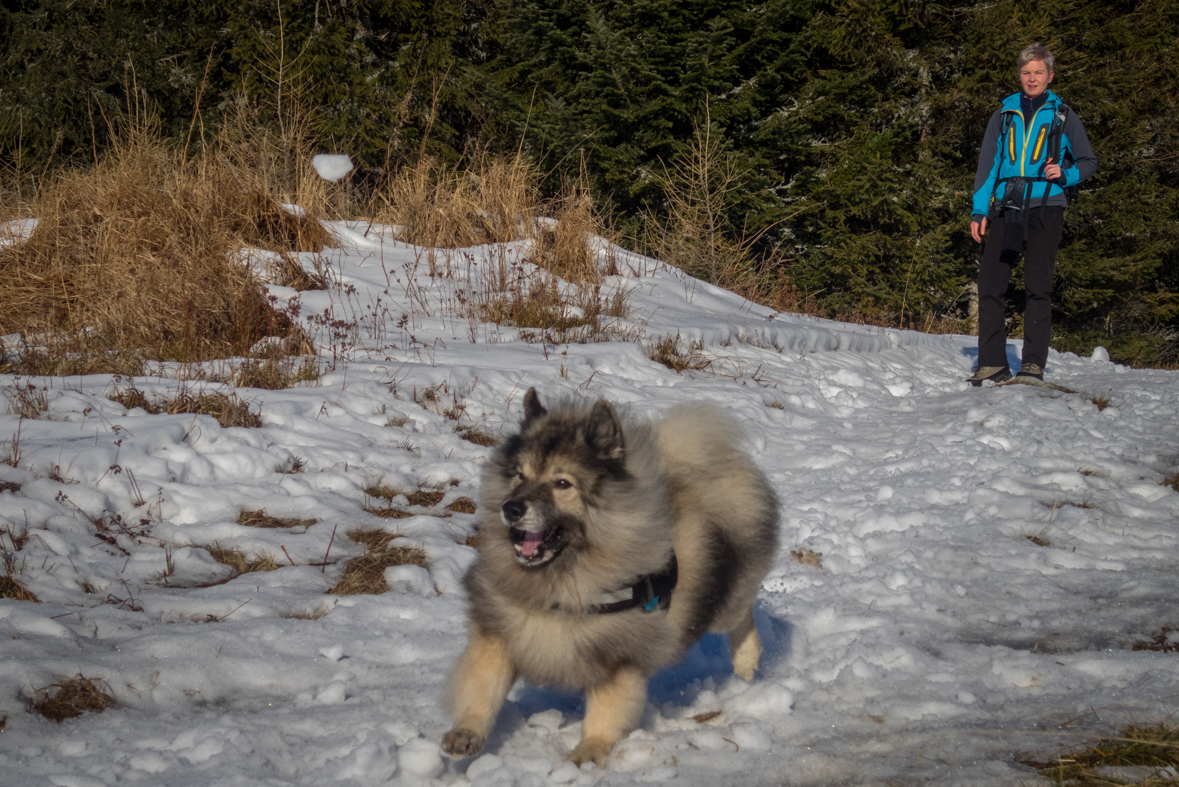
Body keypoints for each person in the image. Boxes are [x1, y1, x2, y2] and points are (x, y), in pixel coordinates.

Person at [966, 43, 1097, 386]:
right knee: (991, 283)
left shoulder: (1063, 115)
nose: (1032, 78)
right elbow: (987, 168)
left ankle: (1033, 365)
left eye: (1039, 72)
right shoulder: (1003, 116)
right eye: (1026, 73)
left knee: (1037, 286)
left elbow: (1088, 161)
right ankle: (992, 363)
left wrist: (1065, 175)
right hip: (1008, 203)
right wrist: (980, 211)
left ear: (1050, 76)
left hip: (1046, 206)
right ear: (1019, 76)